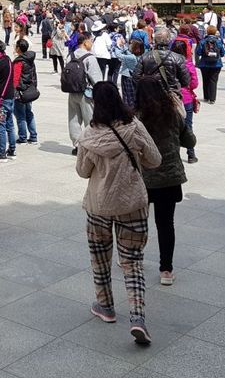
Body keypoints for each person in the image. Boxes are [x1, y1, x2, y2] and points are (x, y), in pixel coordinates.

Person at [76, 82, 161, 342]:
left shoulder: (89, 136)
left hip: (99, 206)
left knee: (100, 258)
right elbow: (155, 159)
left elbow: (82, 171)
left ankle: (105, 306)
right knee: (132, 261)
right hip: (132, 203)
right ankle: (137, 317)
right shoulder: (134, 127)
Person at [136, 78, 192, 287]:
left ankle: (134, 259)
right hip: (170, 177)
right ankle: (166, 269)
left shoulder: (136, 118)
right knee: (166, 224)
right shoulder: (172, 115)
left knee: (139, 222)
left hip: (145, 178)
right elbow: (190, 141)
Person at [66, 33, 103, 153]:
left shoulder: (70, 55)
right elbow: (97, 78)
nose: (92, 43)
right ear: (85, 42)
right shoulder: (89, 57)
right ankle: (90, 145)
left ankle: (76, 145)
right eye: (91, 41)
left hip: (72, 91)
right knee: (90, 119)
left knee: (74, 119)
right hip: (87, 93)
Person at [133, 27, 191, 99]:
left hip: (151, 95)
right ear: (169, 40)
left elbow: (135, 77)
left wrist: (145, 88)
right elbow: (186, 81)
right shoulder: (178, 58)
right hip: (172, 96)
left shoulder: (145, 57)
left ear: (155, 40)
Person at [171, 41, 199, 163]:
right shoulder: (188, 64)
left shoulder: (167, 63)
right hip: (186, 97)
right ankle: (191, 154)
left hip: (171, 97)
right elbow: (194, 83)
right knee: (188, 125)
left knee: (172, 126)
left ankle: (174, 153)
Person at [12, 39, 40, 146]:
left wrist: (14, 91)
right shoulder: (30, 59)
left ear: (18, 48)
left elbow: (15, 78)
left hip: (21, 91)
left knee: (20, 115)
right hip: (29, 90)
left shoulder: (19, 61)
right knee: (29, 113)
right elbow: (34, 75)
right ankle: (33, 136)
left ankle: (22, 137)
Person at [195, 25, 224, 104]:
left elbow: (198, 52)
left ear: (207, 32)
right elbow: (222, 54)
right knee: (213, 80)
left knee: (205, 79)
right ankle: (212, 98)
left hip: (204, 63)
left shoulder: (203, 41)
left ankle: (206, 97)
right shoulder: (218, 41)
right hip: (216, 64)